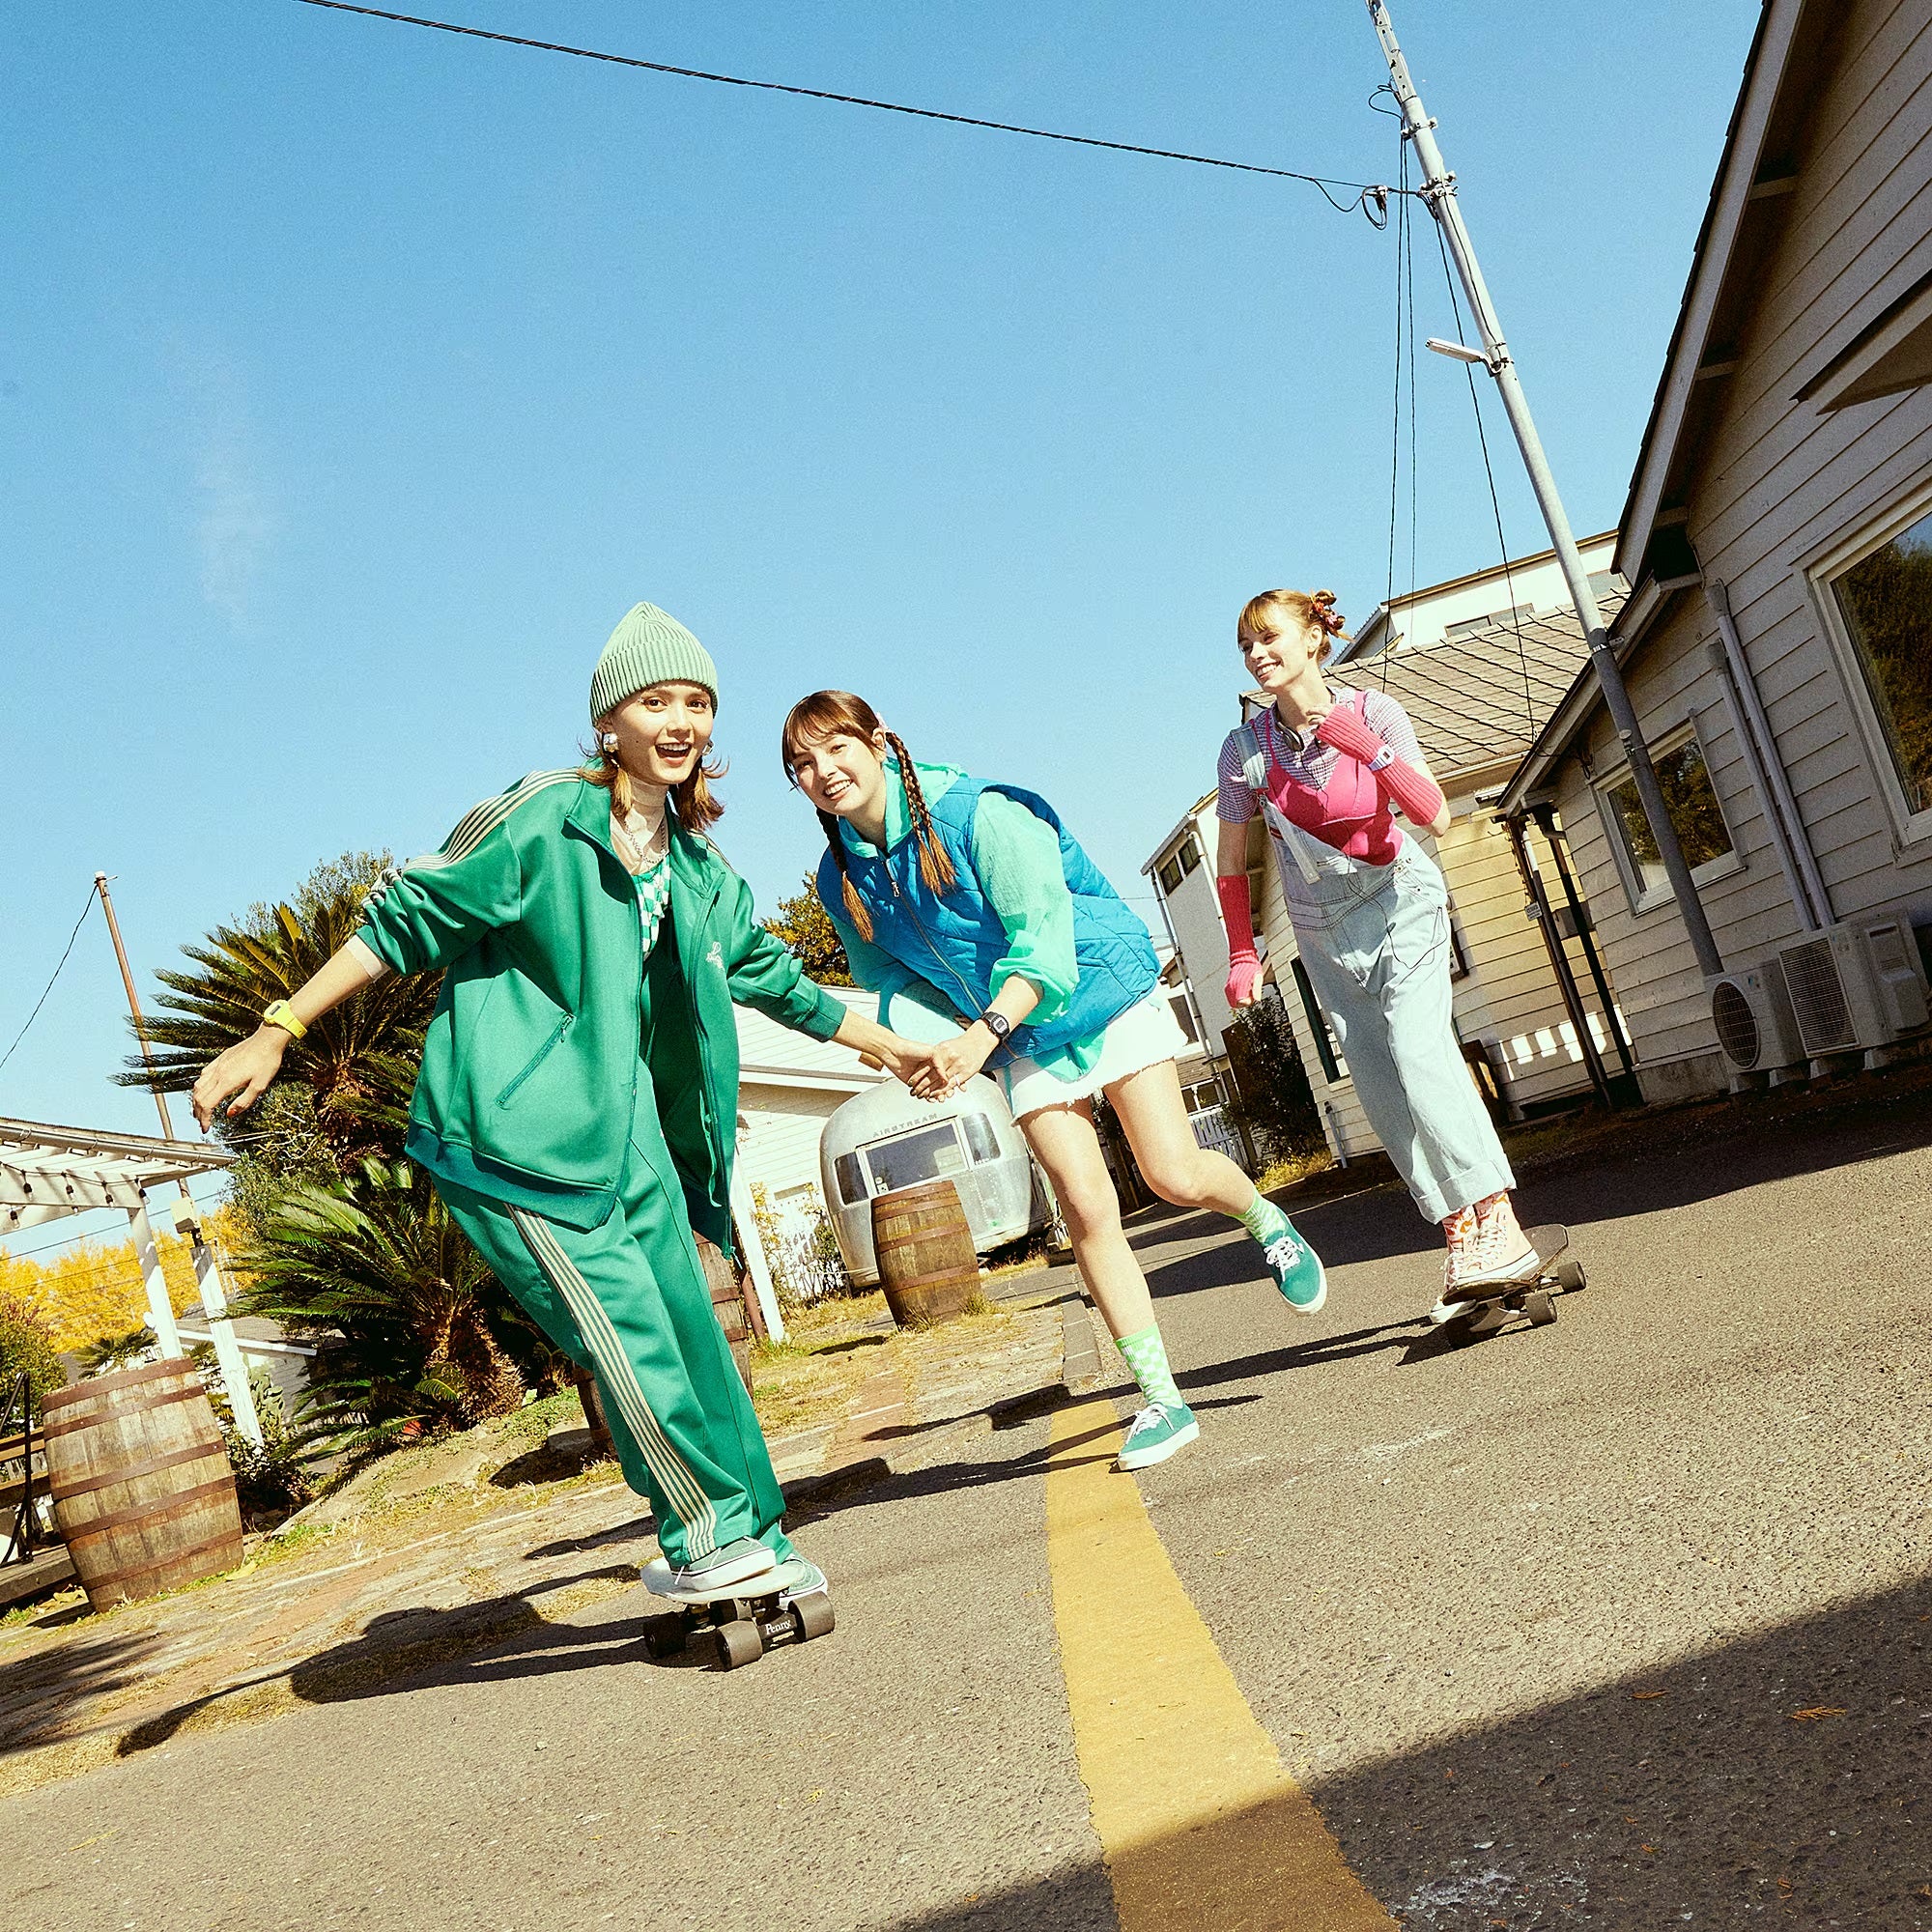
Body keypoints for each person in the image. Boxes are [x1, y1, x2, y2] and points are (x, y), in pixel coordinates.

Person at [192, 603, 937, 1602]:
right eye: (655, 701)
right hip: (517, 1138)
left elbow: (771, 977)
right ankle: (704, 1534)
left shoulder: (698, 871)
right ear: (608, 720)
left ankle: (754, 1530)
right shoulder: (542, 817)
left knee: (694, 1338)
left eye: (698, 703)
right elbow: (406, 918)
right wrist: (278, 1025)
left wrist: (889, 1045)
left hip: (630, 1136)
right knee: (627, 1338)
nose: (681, 722)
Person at [780, 690, 1327, 1474]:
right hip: (1021, 1032)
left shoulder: (981, 815)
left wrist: (983, 1033)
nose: (824, 771)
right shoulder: (843, 880)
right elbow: (889, 975)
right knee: (1084, 1204)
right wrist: (935, 1044)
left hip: (1101, 989)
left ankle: (1264, 1218)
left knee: (1170, 1173)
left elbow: (1042, 940)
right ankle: (1162, 1399)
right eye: (802, 764)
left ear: (880, 741)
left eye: (836, 747)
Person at [1214, 587, 1539, 1315]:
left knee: (1420, 1051)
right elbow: (1232, 862)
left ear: (1312, 639)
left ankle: (1500, 1219)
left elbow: (1435, 815)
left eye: (1269, 637)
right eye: (1245, 645)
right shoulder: (1244, 751)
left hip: (1399, 902)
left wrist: (1366, 747)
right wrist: (1242, 952)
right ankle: (1460, 1232)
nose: (1257, 654)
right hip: (1322, 929)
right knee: (1377, 1077)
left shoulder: (1375, 712)